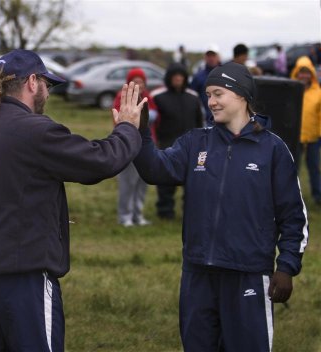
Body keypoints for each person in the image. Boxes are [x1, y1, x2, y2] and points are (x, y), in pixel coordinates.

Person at [0, 49, 147, 352]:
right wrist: (128, 128)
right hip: (25, 278)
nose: (47, 94)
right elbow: (100, 161)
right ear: (31, 82)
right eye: (47, 85)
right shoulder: (34, 130)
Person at [134, 62, 309, 351]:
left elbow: (294, 216)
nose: (211, 102)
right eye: (208, 95)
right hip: (198, 273)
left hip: (248, 273)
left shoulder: (273, 149)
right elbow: (155, 170)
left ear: (241, 95)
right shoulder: (195, 142)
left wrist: (287, 266)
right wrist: (140, 133)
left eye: (218, 94)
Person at [152, 62, 203, 219]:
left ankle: (190, 213)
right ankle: (165, 212)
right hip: (166, 146)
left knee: (192, 183)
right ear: (169, 78)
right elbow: (154, 124)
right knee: (166, 182)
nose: (178, 79)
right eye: (175, 76)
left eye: (181, 76)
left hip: (191, 147)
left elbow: (199, 122)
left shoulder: (193, 98)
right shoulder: (158, 97)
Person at [113, 68, 157, 226]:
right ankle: (125, 216)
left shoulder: (148, 97)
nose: (139, 84)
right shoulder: (122, 97)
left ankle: (138, 215)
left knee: (142, 182)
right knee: (128, 182)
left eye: (141, 81)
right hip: (128, 146)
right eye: (135, 81)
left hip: (145, 146)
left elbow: (155, 116)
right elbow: (119, 119)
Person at [291, 56, 321, 205]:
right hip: (295, 138)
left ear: (311, 74)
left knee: (314, 167)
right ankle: (291, 196)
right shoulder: (291, 91)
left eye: (306, 72)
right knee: (293, 168)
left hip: (313, 138)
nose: (303, 75)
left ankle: (318, 196)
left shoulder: (318, 92)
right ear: (296, 73)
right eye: (301, 72)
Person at [190, 44, 221, 126]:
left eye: (213, 55)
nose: (211, 58)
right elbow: (192, 97)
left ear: (218, 57)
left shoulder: (226, 75)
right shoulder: (198, 77)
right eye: (209, 55)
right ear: (205, 57)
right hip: (206, 120)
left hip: (224, 119)